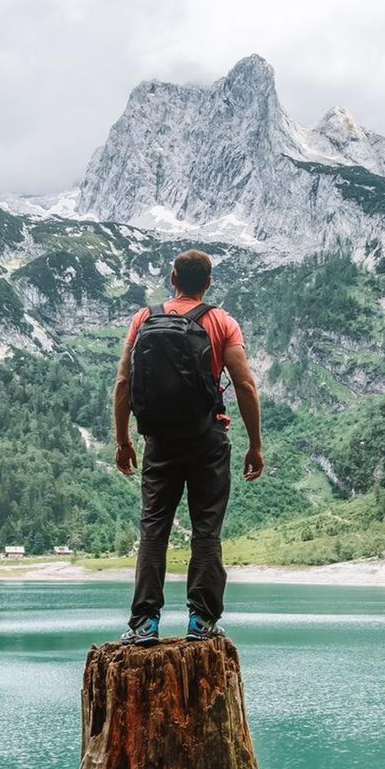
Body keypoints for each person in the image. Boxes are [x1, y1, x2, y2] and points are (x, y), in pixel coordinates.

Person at [113, 249, 264, 645]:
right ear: (208, 283)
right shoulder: (221, 321)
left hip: (158, 442)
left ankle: (144, 623)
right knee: (206, 531)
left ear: (172, 278)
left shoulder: (144, 319)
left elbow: (124, 384)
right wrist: (255, 445)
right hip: (207, 440)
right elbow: (245, 385)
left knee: (154, 530)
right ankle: (202, 621)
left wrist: (124, 440)